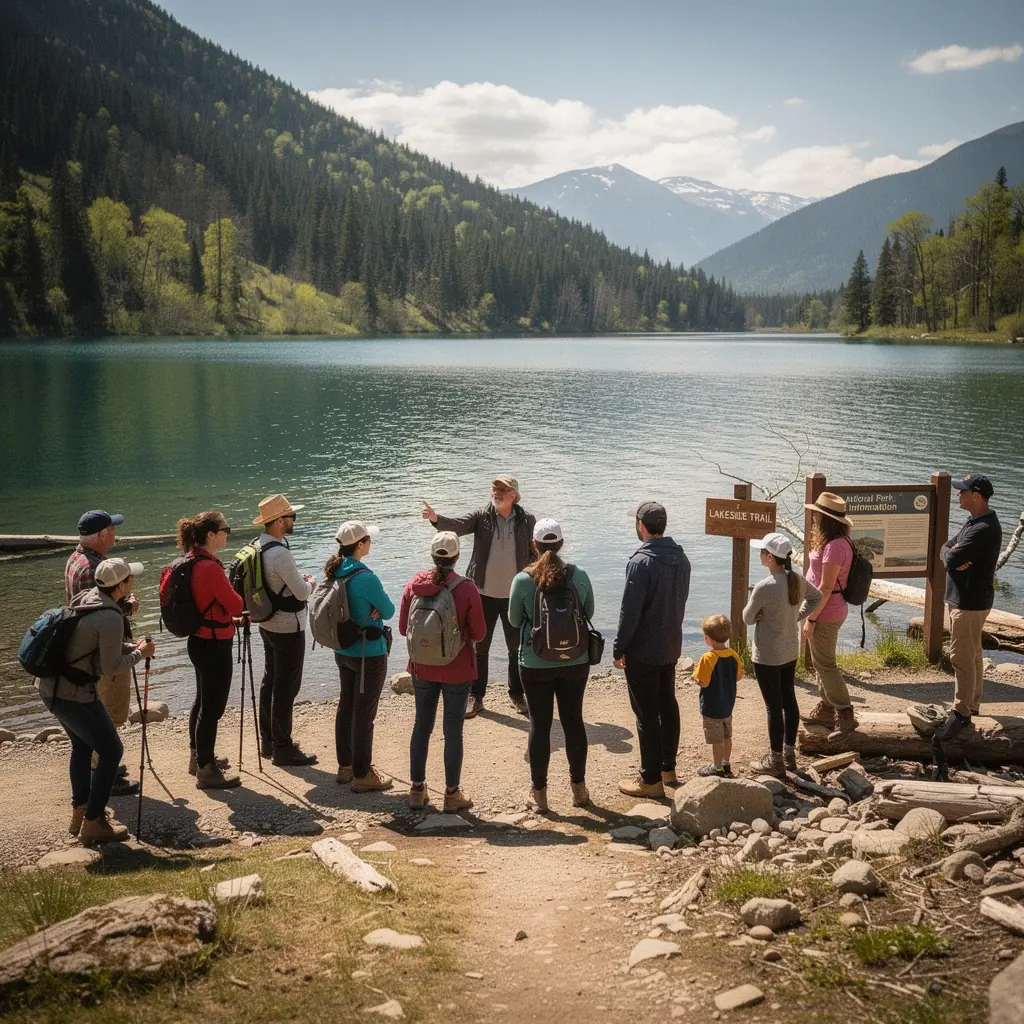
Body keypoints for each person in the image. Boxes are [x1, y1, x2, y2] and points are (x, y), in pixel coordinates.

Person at [38, 558, 156, 843]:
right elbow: (112, 666)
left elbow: (97, 646)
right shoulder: (112, 616)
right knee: (112, 750)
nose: (133, 581)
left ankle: (81, 810)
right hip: (73, 694)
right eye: (130, 578)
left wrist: (133, 645)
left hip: (49, 687)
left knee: (82, 746)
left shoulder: (87, 598)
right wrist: (140, 654)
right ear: (122, 586)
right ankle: (94, 822)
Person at [422, 476, 536, 718]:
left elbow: (536, 555)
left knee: (515, 648)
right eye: (494, 488)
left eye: (502, 489)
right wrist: (435, 518)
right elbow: (457, 526)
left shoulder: (527, 520)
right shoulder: (482, 517)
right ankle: (476, 696)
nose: (496, 492)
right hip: (482, 594)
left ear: (513, 495)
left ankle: (517, 694)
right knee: (479, 647)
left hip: (515, 595)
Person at [508, 518, 595, 813]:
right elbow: (589, 612)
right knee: (574, 722)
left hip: (535, 663)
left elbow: (514, 621)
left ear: (533, 544)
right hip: (576, 660)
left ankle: (540, 794)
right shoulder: (579, 575)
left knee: (540, 725)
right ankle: (579, 790)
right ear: (561, 543)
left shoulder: (522, 580)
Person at [399, 531, 486, 812]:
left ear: (432, 555)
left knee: (421, 725)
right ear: (457, 556)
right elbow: (480, 633)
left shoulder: (414, 584)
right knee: (452, 730)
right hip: (457, 669)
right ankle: (451, 793)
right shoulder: (467, 588)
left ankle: (416, 790)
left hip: (422, 667)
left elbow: (402, 628)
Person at [613, 501, 690, 799]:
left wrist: (619, 647)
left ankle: (650, 780)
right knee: (667, 704)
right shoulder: (681, 558)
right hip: (670, 644)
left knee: (646, 713)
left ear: (641, 526)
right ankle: (668, 769)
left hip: (643, 649)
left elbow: (629, 612)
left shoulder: (640, 562)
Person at [932, 474, 1002, 777]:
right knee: (973, 653)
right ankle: (972, 705)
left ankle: (961, 712)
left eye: (962, 492)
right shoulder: (975, 522)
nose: (958, 495)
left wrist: (952, 555)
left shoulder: (983, 528)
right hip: (969, 599)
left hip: (969, 603)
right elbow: (948, 549)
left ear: (976, 495)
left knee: (961, 656)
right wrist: (952, 553)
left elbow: (950, 557)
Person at [64, 509, 138, 795]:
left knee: (102, 712)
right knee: (109, 713)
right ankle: (104, 773)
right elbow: (99, 611)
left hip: (86, 651)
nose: (115, 534)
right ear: (102, 534)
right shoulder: (93, 567)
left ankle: (103, 766)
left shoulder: (75, 558)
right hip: (102, 653)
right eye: (112, 529)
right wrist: (127, 606)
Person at [743, 532, 822, 777]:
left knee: (773, 707)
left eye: (762, 552)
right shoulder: (796, 579)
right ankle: (789, 754)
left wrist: (763, 615)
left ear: (770, 558)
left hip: (767, 655)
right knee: (789, 700)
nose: (759, 554)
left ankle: (775, 760)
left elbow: (747, 618)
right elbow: (817, 597)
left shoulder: (764, 587)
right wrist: (796, 616)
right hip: (789, 651)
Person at [177, 510, 244, 790]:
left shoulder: (192, 560)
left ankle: (198, 758)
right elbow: (236, 604)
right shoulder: (210, 567)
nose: (228, 533)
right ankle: (206, 770)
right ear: (211, 535)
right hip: (214, 644)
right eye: (225, 529)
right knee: (212, 709)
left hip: (199, 640)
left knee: (202, 702)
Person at [252, 493, 318, 767]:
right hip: (288, 627)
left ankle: (268, 741)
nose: (294, 520)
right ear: (279, 521)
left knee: (270, 681)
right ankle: (283, 747)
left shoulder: (258, 545)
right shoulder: (280, 553)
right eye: (292, 516)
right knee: (286, 687)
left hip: (267, 623)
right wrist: (311, 582)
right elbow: (301, 593)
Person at [330, 520, 396, 793]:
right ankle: (362, 773)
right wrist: (374, 608)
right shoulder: (366, 577)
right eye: (368, 539)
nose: (370, 542)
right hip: (369, 653)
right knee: (365, 713)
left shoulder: (334, 572)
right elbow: (389, 610)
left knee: (346, 706)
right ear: (359, 545)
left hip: (342, 650)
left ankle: (345, 766)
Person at [801, 492, 857, 733]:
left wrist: (811, 618)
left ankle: (845, 712)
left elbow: (825, 587)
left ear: (826, 519)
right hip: (829, 609)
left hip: (825, 612)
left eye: (817, 514)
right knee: (820, 662)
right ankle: (826, 709)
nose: (814, 517)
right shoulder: (837, 542)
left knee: (825, 664)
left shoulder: (835, 547)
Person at [692, 615, 743, 779]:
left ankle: (717, 767)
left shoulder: (708, 658)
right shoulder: (733, 655)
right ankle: (726, 764)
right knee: (727, 736)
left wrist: (696, 678)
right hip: (728, 705)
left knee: (717, 740)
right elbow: (738, 677)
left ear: (707, 639)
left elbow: (704, 683)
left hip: (711, 707)